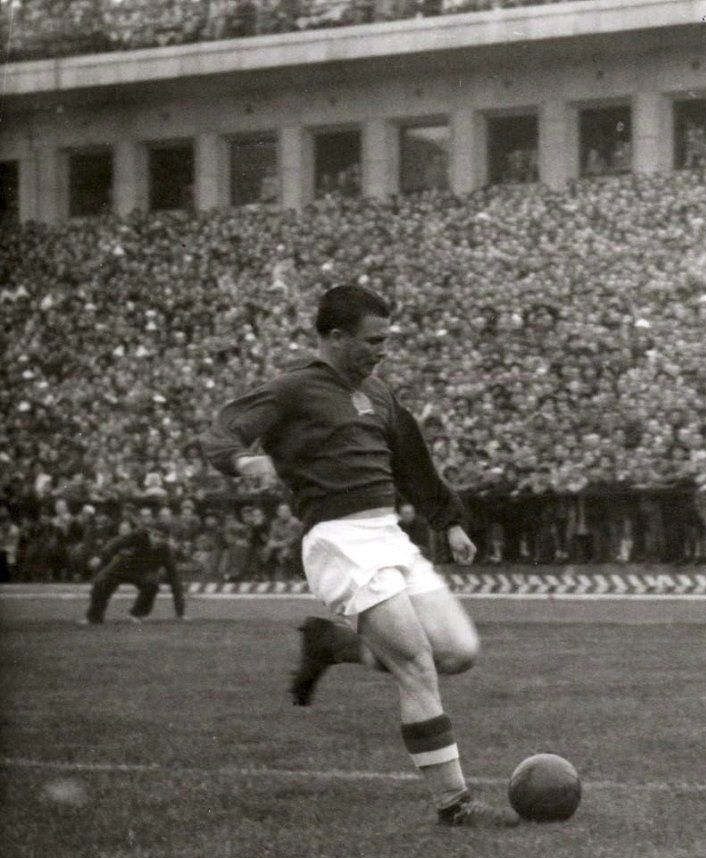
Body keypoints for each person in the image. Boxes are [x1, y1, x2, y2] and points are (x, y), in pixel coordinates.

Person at [201, 283, 516, 828]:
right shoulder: (293, 389)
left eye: (387, 340)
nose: (383, 350)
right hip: (338, 541)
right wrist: (243, 461)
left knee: (459, 651)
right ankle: (455, 803)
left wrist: (449, 522)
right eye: (373, 340)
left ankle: (332, 644)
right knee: (416, 665)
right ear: (335, 337)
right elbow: (223, 431)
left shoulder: (380, 394)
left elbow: (414, 464)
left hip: (388, 535)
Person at [82, 520, 187, 624]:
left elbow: (175, 580)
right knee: (101, 582)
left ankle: (137, 613)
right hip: (123, 566)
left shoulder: (166, 551)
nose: (157, 539)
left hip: (143, 572)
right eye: (155, 535)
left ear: (166, 539)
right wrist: (100, 556)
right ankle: (94, 616)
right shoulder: (139, 534)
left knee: (153, 583)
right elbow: (116, 543)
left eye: (161, 537)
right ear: (149, 532)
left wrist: (180, 612)